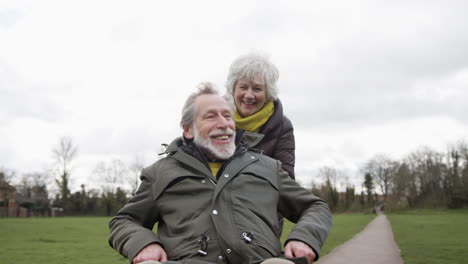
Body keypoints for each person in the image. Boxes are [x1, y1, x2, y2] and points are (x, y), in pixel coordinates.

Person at [108, 83, 332, 264]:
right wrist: (144, 243)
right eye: (211, 116)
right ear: (187, 129)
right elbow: (124, 220)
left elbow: (315, 207)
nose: (224, 124)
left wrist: (305, 238)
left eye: (227, 116)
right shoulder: (160, 173)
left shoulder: (268, 167)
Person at [225, 52, 295, 179]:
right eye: (243, 87)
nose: (249, 95)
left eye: (257, 89)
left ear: (268, 93)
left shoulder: (283, 127)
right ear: (233, 89)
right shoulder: (215, 120)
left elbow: (285, 179)